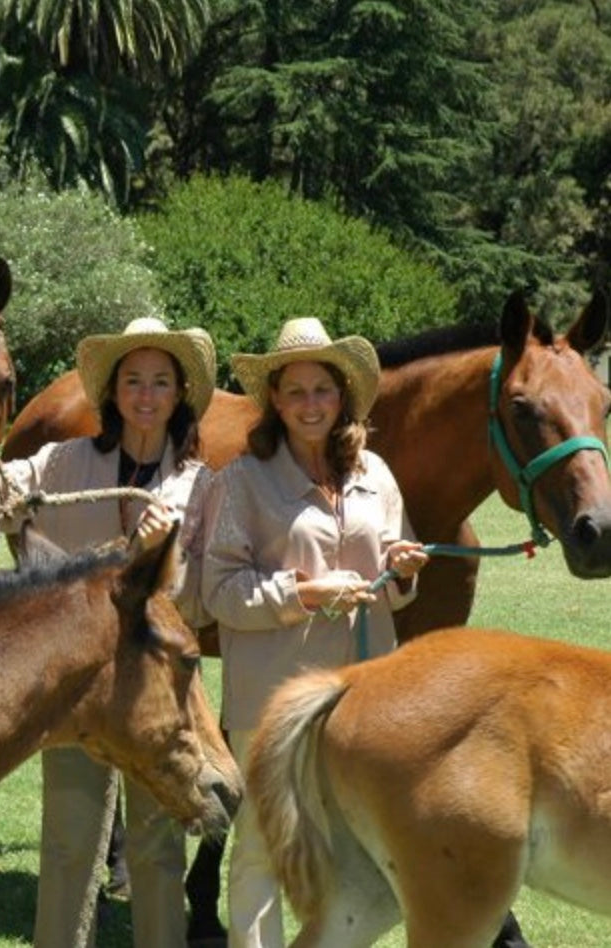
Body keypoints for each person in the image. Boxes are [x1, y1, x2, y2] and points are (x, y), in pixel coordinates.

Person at [200, 317, 429, 948]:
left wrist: (401, 571)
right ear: (274, 399)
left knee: (359, 846)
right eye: (295, 392)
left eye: (321, 390)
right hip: (275, 699)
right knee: (261, 849)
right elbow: (217, 593)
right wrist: (300, 595)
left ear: (343, 396)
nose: (309, 405)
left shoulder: (376, 474)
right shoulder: (241, 480)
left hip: (365, 696)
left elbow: (394, 580)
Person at [4, 315, 219, 948]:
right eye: (133, 381)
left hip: (155, 689)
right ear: (113, 392)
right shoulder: (68, 459)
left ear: (179, 394)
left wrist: (164, 554)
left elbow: (203, 597)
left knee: (157, 848)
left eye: (159, 382)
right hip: (79, 681)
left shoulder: (201, 484)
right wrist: (9, 498)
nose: (146, 395)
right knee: (69, 843)